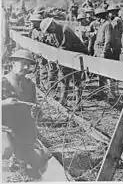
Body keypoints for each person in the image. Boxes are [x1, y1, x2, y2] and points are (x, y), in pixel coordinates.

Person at [2, 49, 50, 180]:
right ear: (13, 63)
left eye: (28, 65)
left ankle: (21, 158)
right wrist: (4, 103)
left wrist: (38, 112)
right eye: (22, 63)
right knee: (5, 153)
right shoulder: (3, 82)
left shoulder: (30, 85)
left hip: (24, 131)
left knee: (41, 161)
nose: (25, 68)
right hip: (6, 130)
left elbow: (35, 109)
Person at [40, 18, 88, 111]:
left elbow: (65, 47)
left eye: (49, 29)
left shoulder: (65, 30)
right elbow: (55, 45)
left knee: (76, 80)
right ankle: (63, 99)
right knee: (63, 78)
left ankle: (78, 103)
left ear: (53, 25)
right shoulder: (54, 33)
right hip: (65, 57)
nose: (49, 32)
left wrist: (57, 55)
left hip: (77, 56)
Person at [93, 7, 116, 98]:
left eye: (98, 16)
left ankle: (112, 93)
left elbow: (108, 40)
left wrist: (103, 52)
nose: (97, 18)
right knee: (100, 72)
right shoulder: (101, 25)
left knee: (107, 72)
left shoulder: (107, 25)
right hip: (98, 49)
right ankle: (101, 91)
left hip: (104, 50)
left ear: (102, 16)